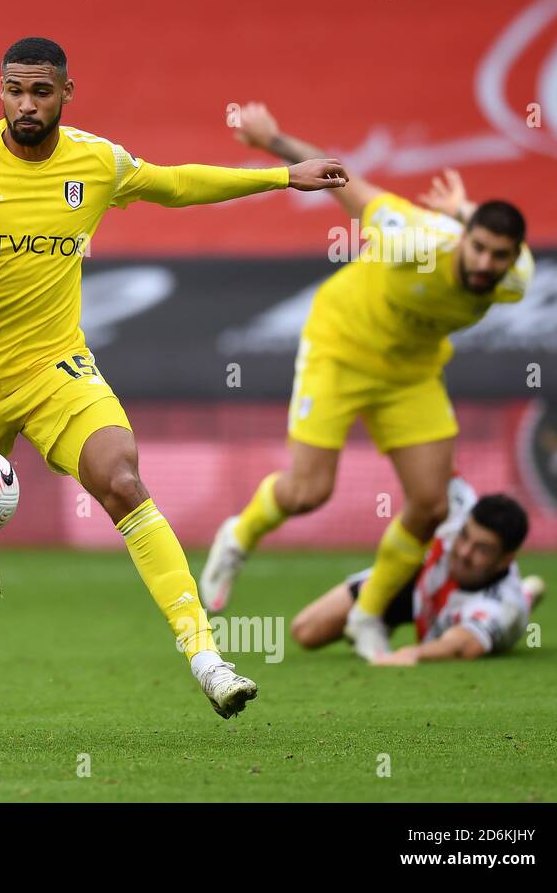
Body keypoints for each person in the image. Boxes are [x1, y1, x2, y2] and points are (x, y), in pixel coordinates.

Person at [0, 37, 348, 718]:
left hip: (57, 366)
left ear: (66, 93)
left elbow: (175, 183)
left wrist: (283, 177)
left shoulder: (96, 161)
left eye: (41, 91)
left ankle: (206, 655)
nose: (26, 104)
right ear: (0, 90)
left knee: (124, 480)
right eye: (15, 90)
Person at [199, 102, 534, 663]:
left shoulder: (515, 278)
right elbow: (341, 177)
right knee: (308, 492)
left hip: (411, 372)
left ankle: (368, 612)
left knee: (430, 505)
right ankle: (238, 536)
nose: (484, 263)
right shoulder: (415, 239)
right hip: (341, 347)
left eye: (497, 256)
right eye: (477, 247)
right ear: (461, 238)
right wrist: (273, 139)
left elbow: (501, 242)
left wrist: (467, 207)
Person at [290, 478, 543, 664]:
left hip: (469, 615)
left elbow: (460, 648)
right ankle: (381, 620)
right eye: (464, 536)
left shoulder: (501, 609)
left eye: (482, 549)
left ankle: (528, 593)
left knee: (518, 607)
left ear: (505, 559)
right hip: (422, 580)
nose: (464, 551)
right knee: (306, 631)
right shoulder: (459, 504)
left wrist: (411, 653)